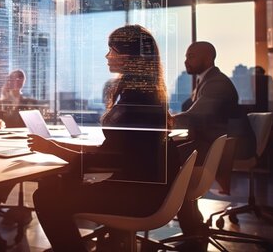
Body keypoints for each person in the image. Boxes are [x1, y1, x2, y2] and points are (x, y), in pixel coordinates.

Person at [29, 25, 180, 252]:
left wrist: (52, 148)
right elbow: (115, 151)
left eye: (112, 50)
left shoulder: (135, 99)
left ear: (128, 55)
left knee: (46, 197)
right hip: (146, 189)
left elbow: (107, 160)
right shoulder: (146, 92)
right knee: (56, 185)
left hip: (137, 197)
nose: (107, 56)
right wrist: (56, 145)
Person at [173, 41, 255, 246]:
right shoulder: (206, 81)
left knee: (172, 161)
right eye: (186, 55)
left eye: (191, 55)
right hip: (217, 143)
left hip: (229, 147)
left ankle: (190, 226)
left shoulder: (216, 83)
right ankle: (191, 222)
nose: (186, 60)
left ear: (208, 57)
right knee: (174, 156)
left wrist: (167, 120)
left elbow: (198, 116)